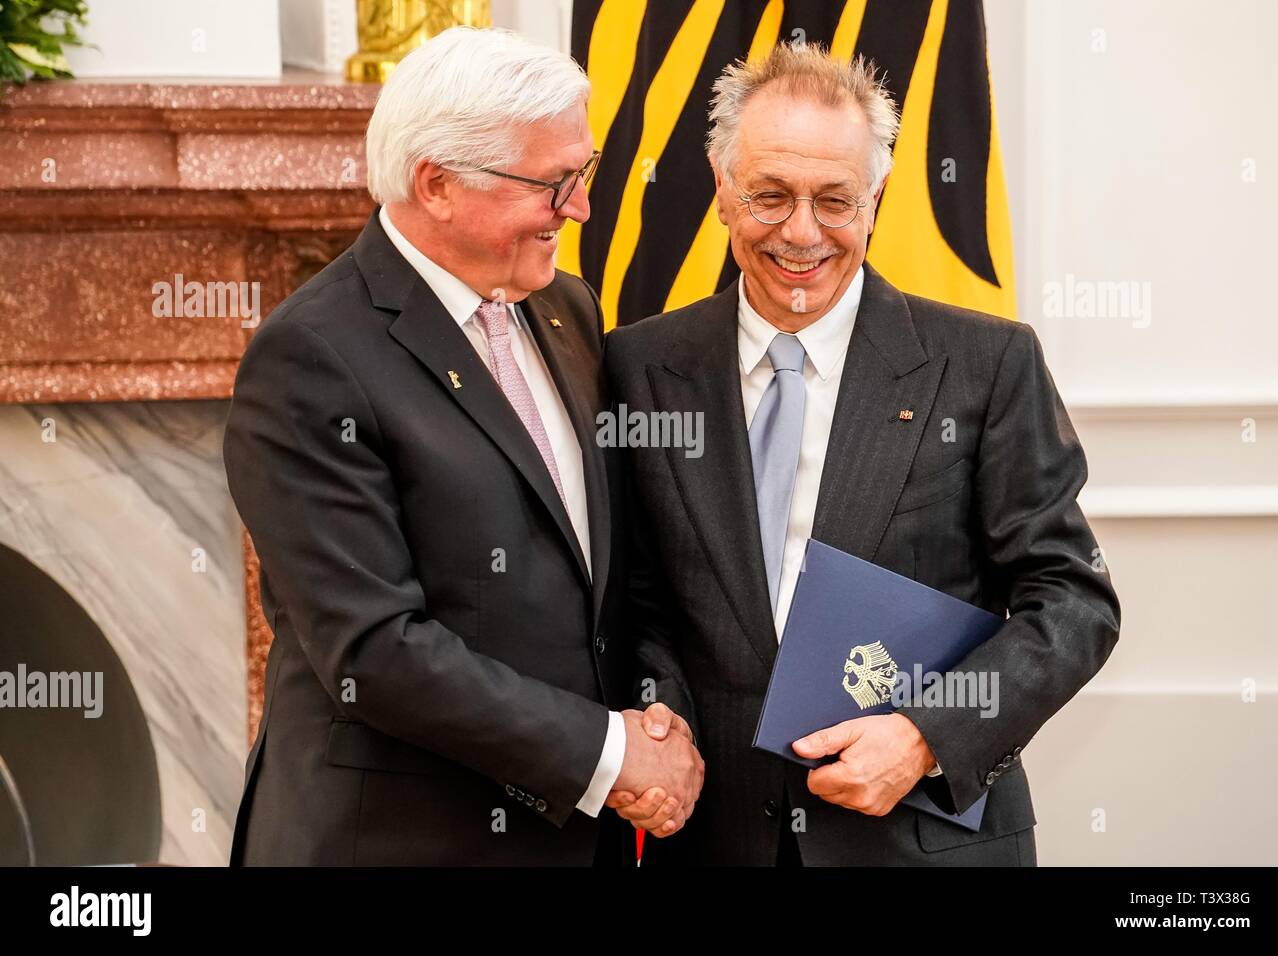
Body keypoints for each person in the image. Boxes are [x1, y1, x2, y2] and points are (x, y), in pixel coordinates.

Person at [603, 42, 1120, 866]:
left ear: (876, 199)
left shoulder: (987, 365)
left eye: (834, 200)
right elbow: (635, 602)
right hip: (712, 840)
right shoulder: (635, 367)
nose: (801, 232)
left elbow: (1073, 603)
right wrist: (655, 712)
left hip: (923, 842)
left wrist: (926, 735)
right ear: (722, 190)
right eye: (770, 195)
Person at [223, 26, 702, 866]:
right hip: (396, 842)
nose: (582, 208)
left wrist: (656, 715)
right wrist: (610, 752)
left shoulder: (568, 311)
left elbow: (615, 570)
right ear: (436, 184)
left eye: (582, 173)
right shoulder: (311, 358)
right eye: (554, 183)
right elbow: (373, 650)